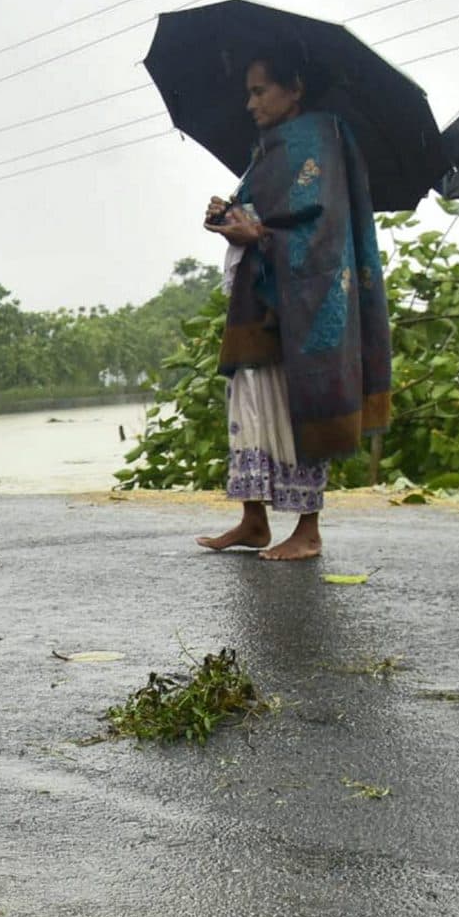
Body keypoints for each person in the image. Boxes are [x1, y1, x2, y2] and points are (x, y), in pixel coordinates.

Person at [197, 54, 393, 562]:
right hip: (259, 293)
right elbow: (265, 209)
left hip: (304, 298)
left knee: (295, 403)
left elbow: (319, 227)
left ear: (296, 87)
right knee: (253, 403)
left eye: (261, 91)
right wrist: (228, 214)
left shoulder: (320, 139)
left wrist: (258, 234)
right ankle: (254, 519)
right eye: (250, 92)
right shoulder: (268, 148)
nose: (250, 102)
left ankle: (307, 530)